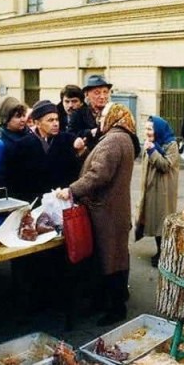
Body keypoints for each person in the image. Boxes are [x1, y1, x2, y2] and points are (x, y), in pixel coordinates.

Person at [57, 103, 140, 326]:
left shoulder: (113, 140)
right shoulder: (124, 137)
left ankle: (115, 310)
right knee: (116, 258)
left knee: (109, 260)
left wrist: (71, 190)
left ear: (113, 117)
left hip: (106, 212)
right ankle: (112, 302)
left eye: (103, 116)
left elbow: (98, 175)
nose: (99, 120)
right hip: (114, 209)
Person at [11, 100, 85, 203]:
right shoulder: (23, 145)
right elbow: (17, 181)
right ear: (37, 123)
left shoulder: (67, 140)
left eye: (57, 119)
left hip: (63, 201)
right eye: (50, 120)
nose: (55, 124)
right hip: (34, 203)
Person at [135, 115, 179, 268]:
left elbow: (166, 165)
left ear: (158, 129)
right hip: (151, 188)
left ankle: (164, 253)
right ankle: (159, 251)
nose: (147, 132)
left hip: (163, 190)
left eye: (150, 128)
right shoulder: (151, 143)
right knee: (154, 221)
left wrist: (153, 150)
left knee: (162, 222)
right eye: (145, 128)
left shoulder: (170, 144)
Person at [0, 96, 31, 197]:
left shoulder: (29, 134)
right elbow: (0, 176)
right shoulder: (0, 142)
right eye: (18, 116)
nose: (23, 119)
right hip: (12, 194)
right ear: (6, 119)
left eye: (23, 115)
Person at [68, 75, 112, 150]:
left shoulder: (114, 113)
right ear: (86, 95)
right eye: (97, 92)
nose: (102, 96)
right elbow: (70, 135)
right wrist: (90, 132)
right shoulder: (78, 114)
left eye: (105, 92)